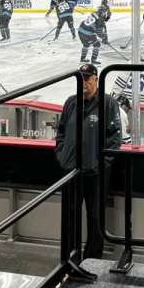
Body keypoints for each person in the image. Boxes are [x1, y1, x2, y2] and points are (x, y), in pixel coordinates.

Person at [55, 63, 122, 274]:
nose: (84, 84)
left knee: (95, 219)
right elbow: (62, 131)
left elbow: (115, 138)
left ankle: (92, 261)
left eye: (87, 79)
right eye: (80, 79)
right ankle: (70, 258)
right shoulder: (71, 102)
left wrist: (102, 164)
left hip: (95, 174)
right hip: (72, 172)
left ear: (96, 80)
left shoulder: (108, 103)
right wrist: (62, 155)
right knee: (71, 217)